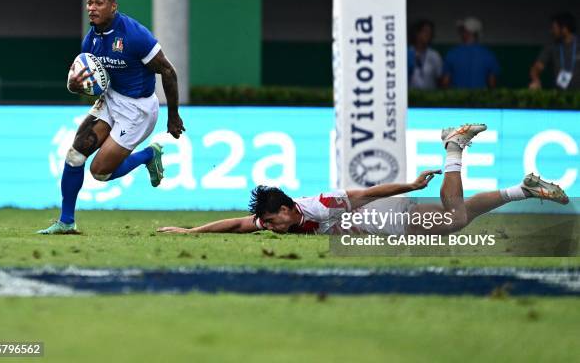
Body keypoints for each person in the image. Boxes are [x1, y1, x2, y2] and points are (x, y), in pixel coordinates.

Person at [158, 124, 568, 236]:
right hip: (384, 223)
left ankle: (454, 148)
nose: (269, 228)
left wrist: (408, 186)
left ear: (287, 209)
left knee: (456, 220)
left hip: (388, 218)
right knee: (459, 215)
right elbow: (235, 224)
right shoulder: (278, 219)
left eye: (272, 221)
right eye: (267, 224)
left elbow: (367, 193)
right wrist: (191, 232)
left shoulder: (322, 204)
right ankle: (523, 189)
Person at [38, 0, 185, 234]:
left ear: (113, 6)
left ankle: (148, 155)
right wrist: (77, 86)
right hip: (111, 99)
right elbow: (93, 83)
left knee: (100, 173)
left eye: (99, 2)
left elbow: (168, 72)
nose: (92, 8)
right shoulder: (91, 40)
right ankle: (66, 221)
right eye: (89, 2)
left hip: (138, 110)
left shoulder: (135, 35)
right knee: (75, 155)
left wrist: (173, 115)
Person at [442, 17, 500, 89]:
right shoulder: (489, 55)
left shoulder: (452, 54)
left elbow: (445, 84)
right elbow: (492, 85)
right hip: (481, 99)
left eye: (463, 30)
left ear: (469, 32)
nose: (460, 33)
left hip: (457, 99)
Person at [529, 12, 580, 90]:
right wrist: (536, 80)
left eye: (554, 28)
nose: (551, 31)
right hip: (559, 97)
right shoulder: (552, 46)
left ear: (564, 29)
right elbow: (536, 67)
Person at [408, 19, 443, 89]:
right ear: (416, 33)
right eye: (425, 31)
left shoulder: (435, 55)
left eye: (430, 32)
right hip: (410, 97)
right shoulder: (406, 53)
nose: (428, 35)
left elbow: (440, 79)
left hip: (430, 98)